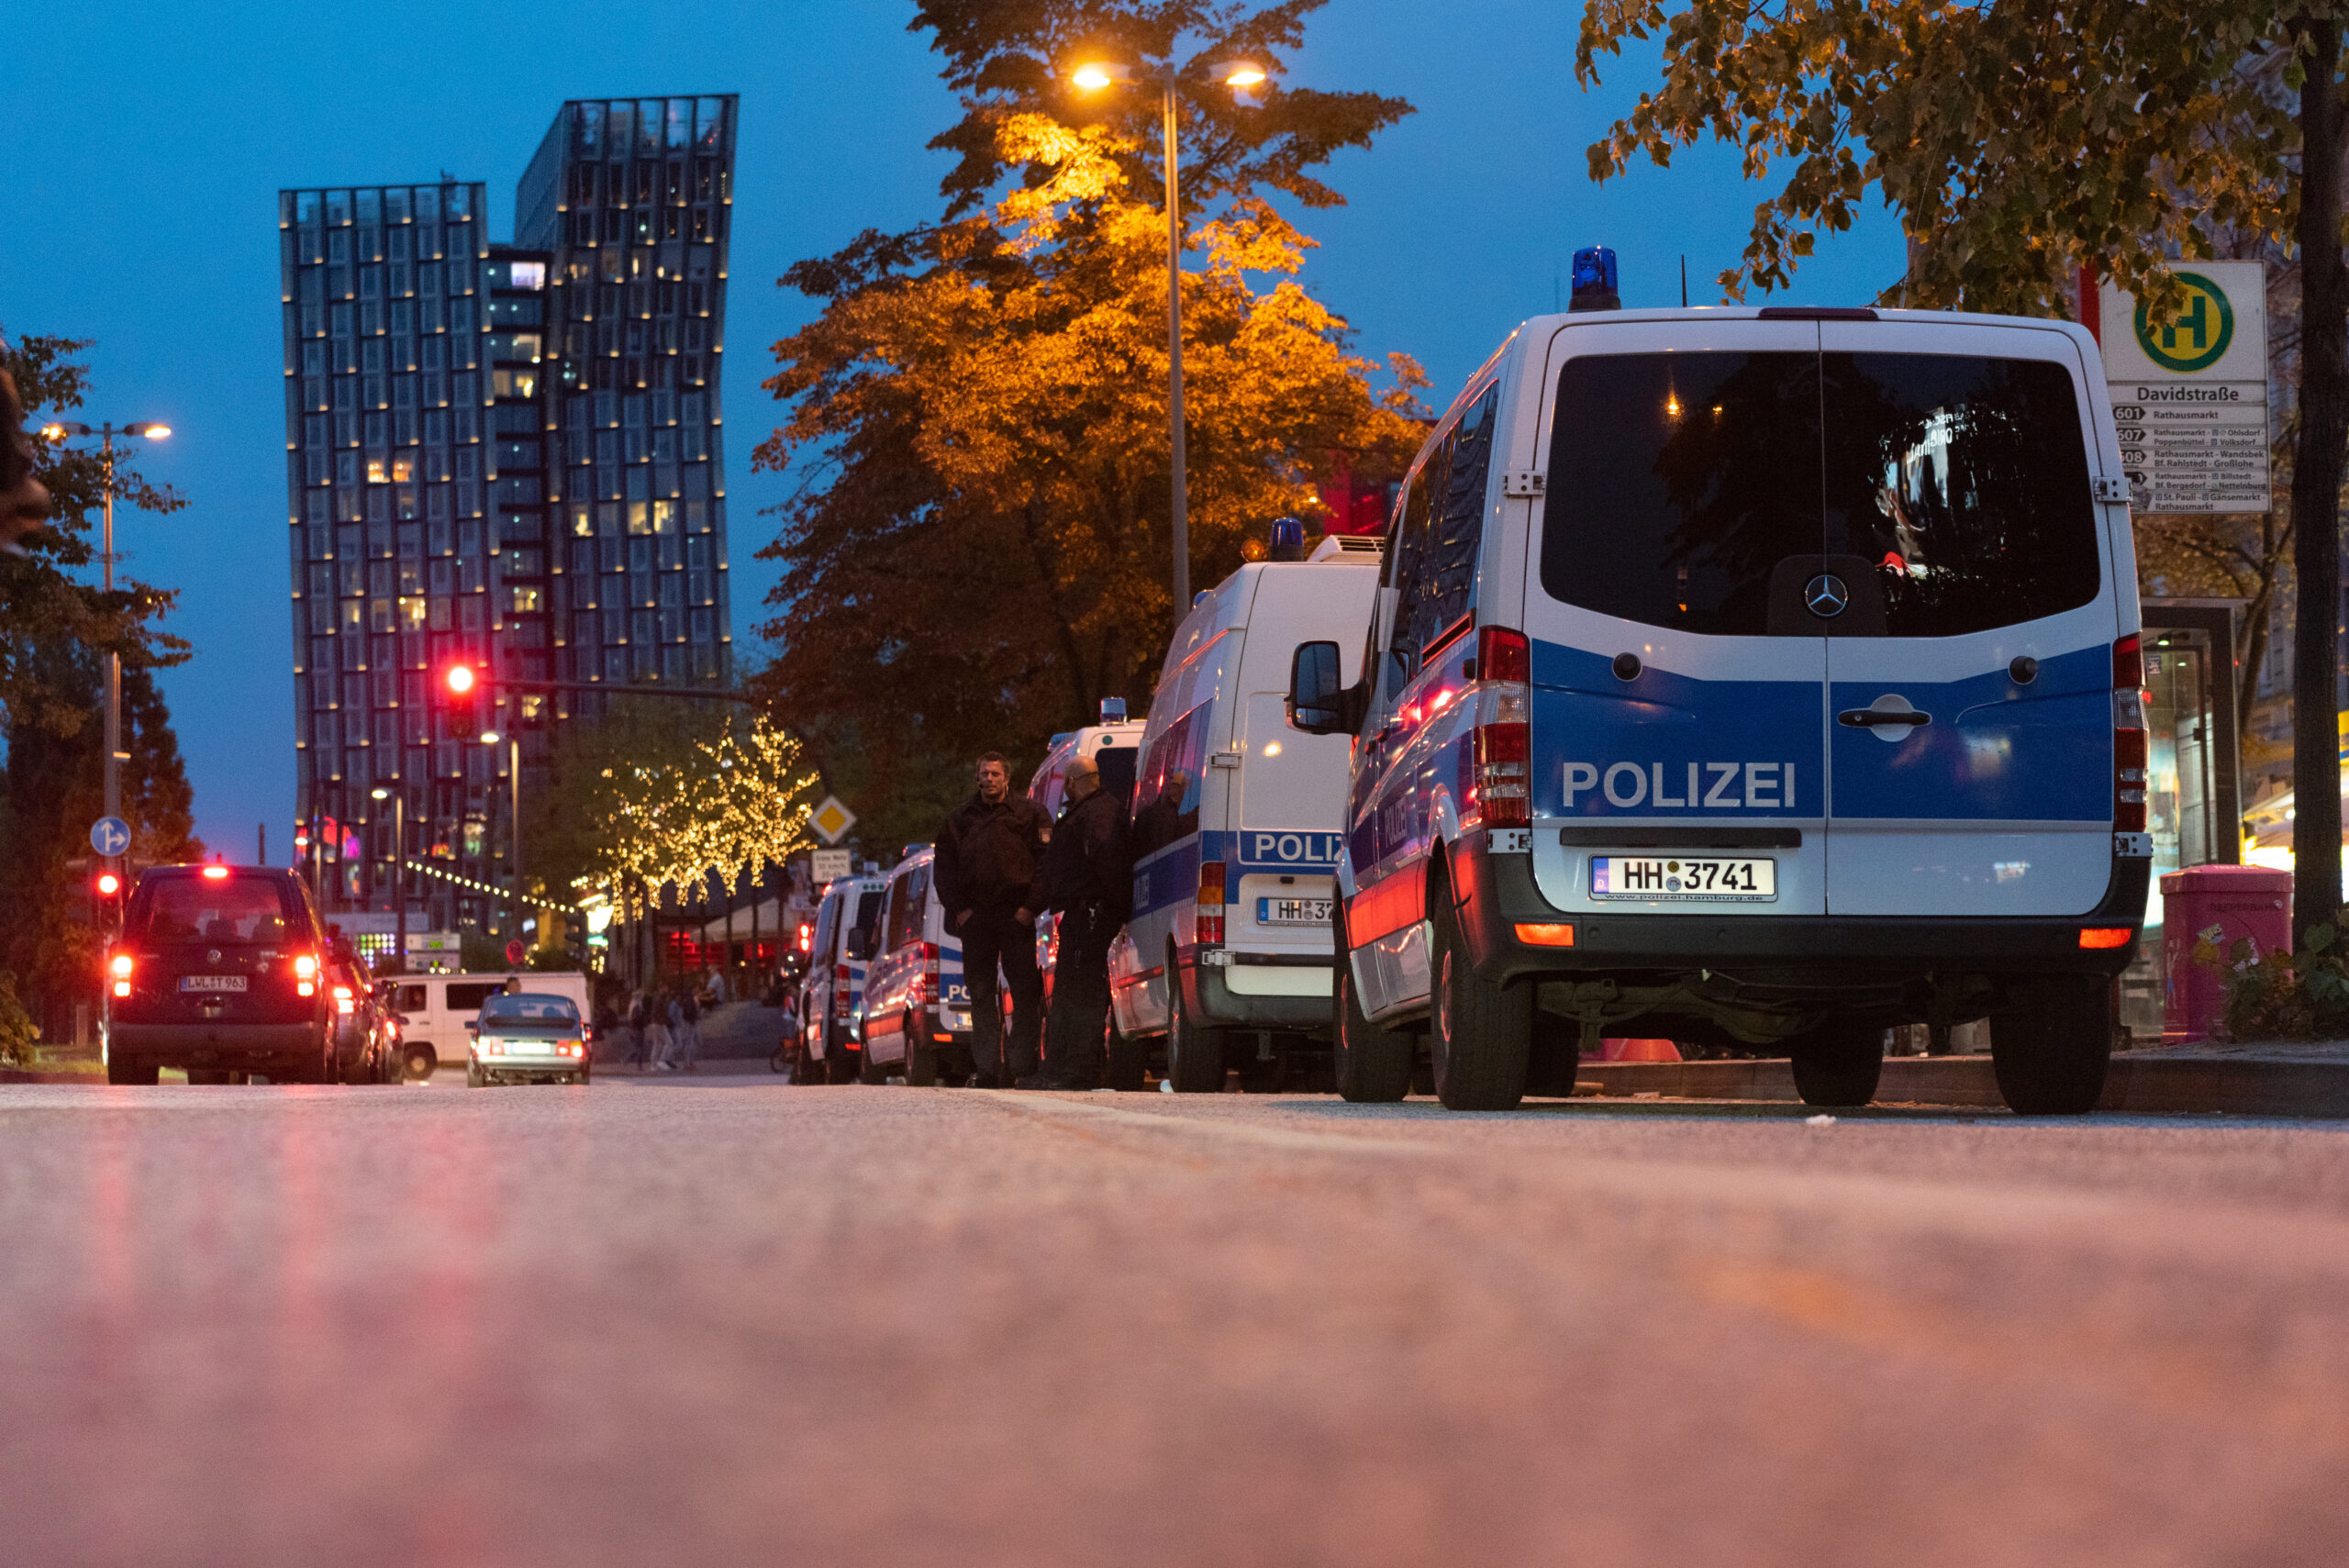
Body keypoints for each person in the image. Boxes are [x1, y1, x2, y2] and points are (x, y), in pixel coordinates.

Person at [933, 751, 1052, 1088]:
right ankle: (986, 1069)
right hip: (977, 918)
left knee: (1025, 993)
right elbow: (943, 871)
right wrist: (960, 910)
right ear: (977, 777)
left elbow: (1046, 864)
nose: (989, 780)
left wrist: (1031, 908)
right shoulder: (959, 819)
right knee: (981, 995)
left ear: (1007, 778)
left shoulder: (1029, 814)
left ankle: (1023, 1067)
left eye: (995, 774)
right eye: (984, 774)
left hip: (1016, 915)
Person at [1030, 752, 1131, 1090]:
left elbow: (1104, 859)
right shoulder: (1099, 810)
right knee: (1072, 992)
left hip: (1090, 912)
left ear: (1072, 783)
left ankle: (1077, 1071)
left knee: (1080, 994)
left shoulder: (1096, 812)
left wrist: (1108, 905)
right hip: (1085, 911)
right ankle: (1062, 1070)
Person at [644, 989, 675, 1072]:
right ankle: (661, 1060)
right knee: (669, 1042)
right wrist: (663, 1021)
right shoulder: (660, 1001)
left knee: (657, 1043)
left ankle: (653, 1065)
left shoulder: (657, 1001)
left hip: (656, 1023)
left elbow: (657, 1013)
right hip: (659, 1024)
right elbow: (659, 1013)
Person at [676, 984, 703, 1073]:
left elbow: (694, 1011)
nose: (698, 990)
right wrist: (692, 1019)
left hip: (694, 1022)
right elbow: (688, 1012)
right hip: (690, 1023)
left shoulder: (693, 999)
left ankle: (690, 1061)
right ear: (694, 989)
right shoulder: (689, 999)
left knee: (696, 1042)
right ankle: (687, 1063)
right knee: (689, 1042)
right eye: (697, 989)